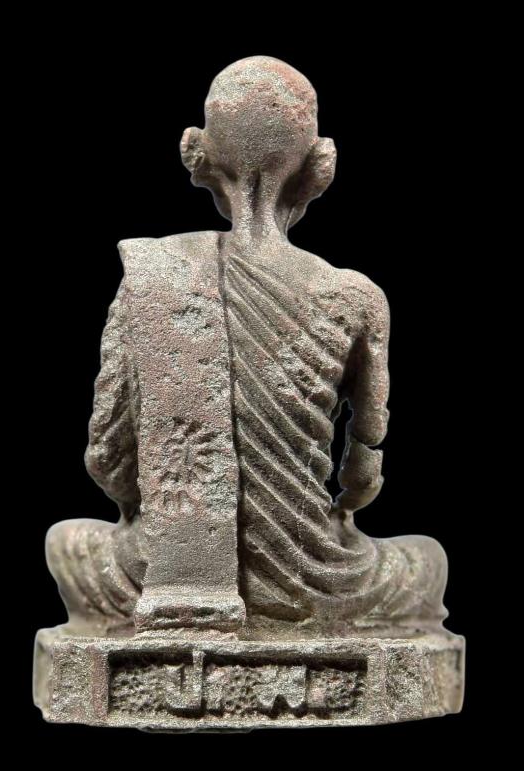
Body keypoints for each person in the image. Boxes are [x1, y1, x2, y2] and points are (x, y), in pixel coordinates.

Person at [45, 56, 447, 640]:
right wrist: (331, 516)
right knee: (426, 561)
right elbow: (363, 478)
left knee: (65, 543)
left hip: (161, 570)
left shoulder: (155, 278)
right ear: (321, 164)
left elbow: (106, 458)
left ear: (197, 152)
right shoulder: (355, 297)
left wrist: (156, 512)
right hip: (316, 576)